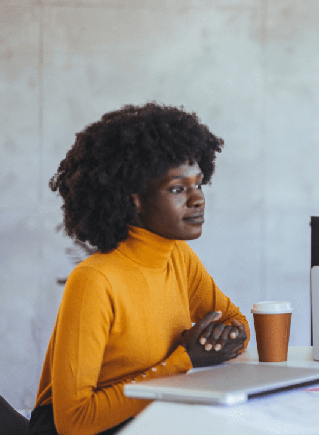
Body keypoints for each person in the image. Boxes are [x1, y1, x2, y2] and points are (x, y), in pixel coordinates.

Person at [29, 103, 250, 435]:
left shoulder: (179, 257)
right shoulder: (95, 280)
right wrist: (184, 360)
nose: (198, 199)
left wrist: (222, 338)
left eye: (199, 184)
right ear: (134, 200)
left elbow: (235, 323)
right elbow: (74, 421)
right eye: (178, 189)